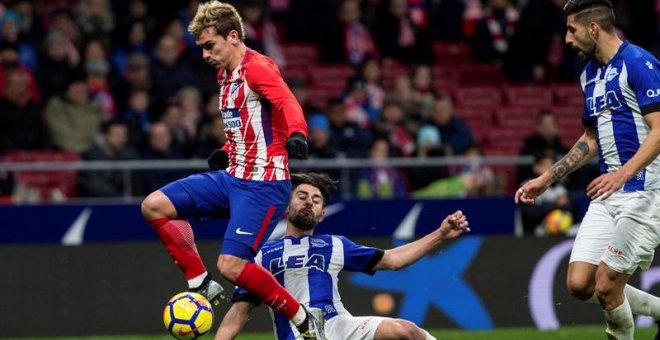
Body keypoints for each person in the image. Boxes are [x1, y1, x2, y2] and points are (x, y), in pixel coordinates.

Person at [139, 2, 325, 339]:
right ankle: (199, 283)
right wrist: (227, 152)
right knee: (154, 205)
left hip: (263, 185)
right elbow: (250, 123)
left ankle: (303, 317)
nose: (206, 54)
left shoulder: (258, 68)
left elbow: (287, 103)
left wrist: (298, 133)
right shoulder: (225, 73)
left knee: (231, 266)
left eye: (211, 45)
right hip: (233, 177)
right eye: (202, 48)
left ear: (234, 36)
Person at [515, 1, 660, 338]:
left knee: (608, 286)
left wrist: (622, 173)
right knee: (580, 284)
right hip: (609, 193)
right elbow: (590, 138)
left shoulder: (639, 63)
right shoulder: (589, 74)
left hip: (645, 192)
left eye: (572, 30)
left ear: (593, 29)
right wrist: (546, 179)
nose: (567, 39)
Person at [217, 173, 470, 340]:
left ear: (322, 215)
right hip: (296, 335)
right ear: (287, 206)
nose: (309, 203)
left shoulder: (334, 245)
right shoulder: (261, 255)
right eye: (302, 197)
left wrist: (440, 233)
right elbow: (239, 312)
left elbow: (393, 260)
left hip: (339, 326)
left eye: (316, 201)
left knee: (407, 331)